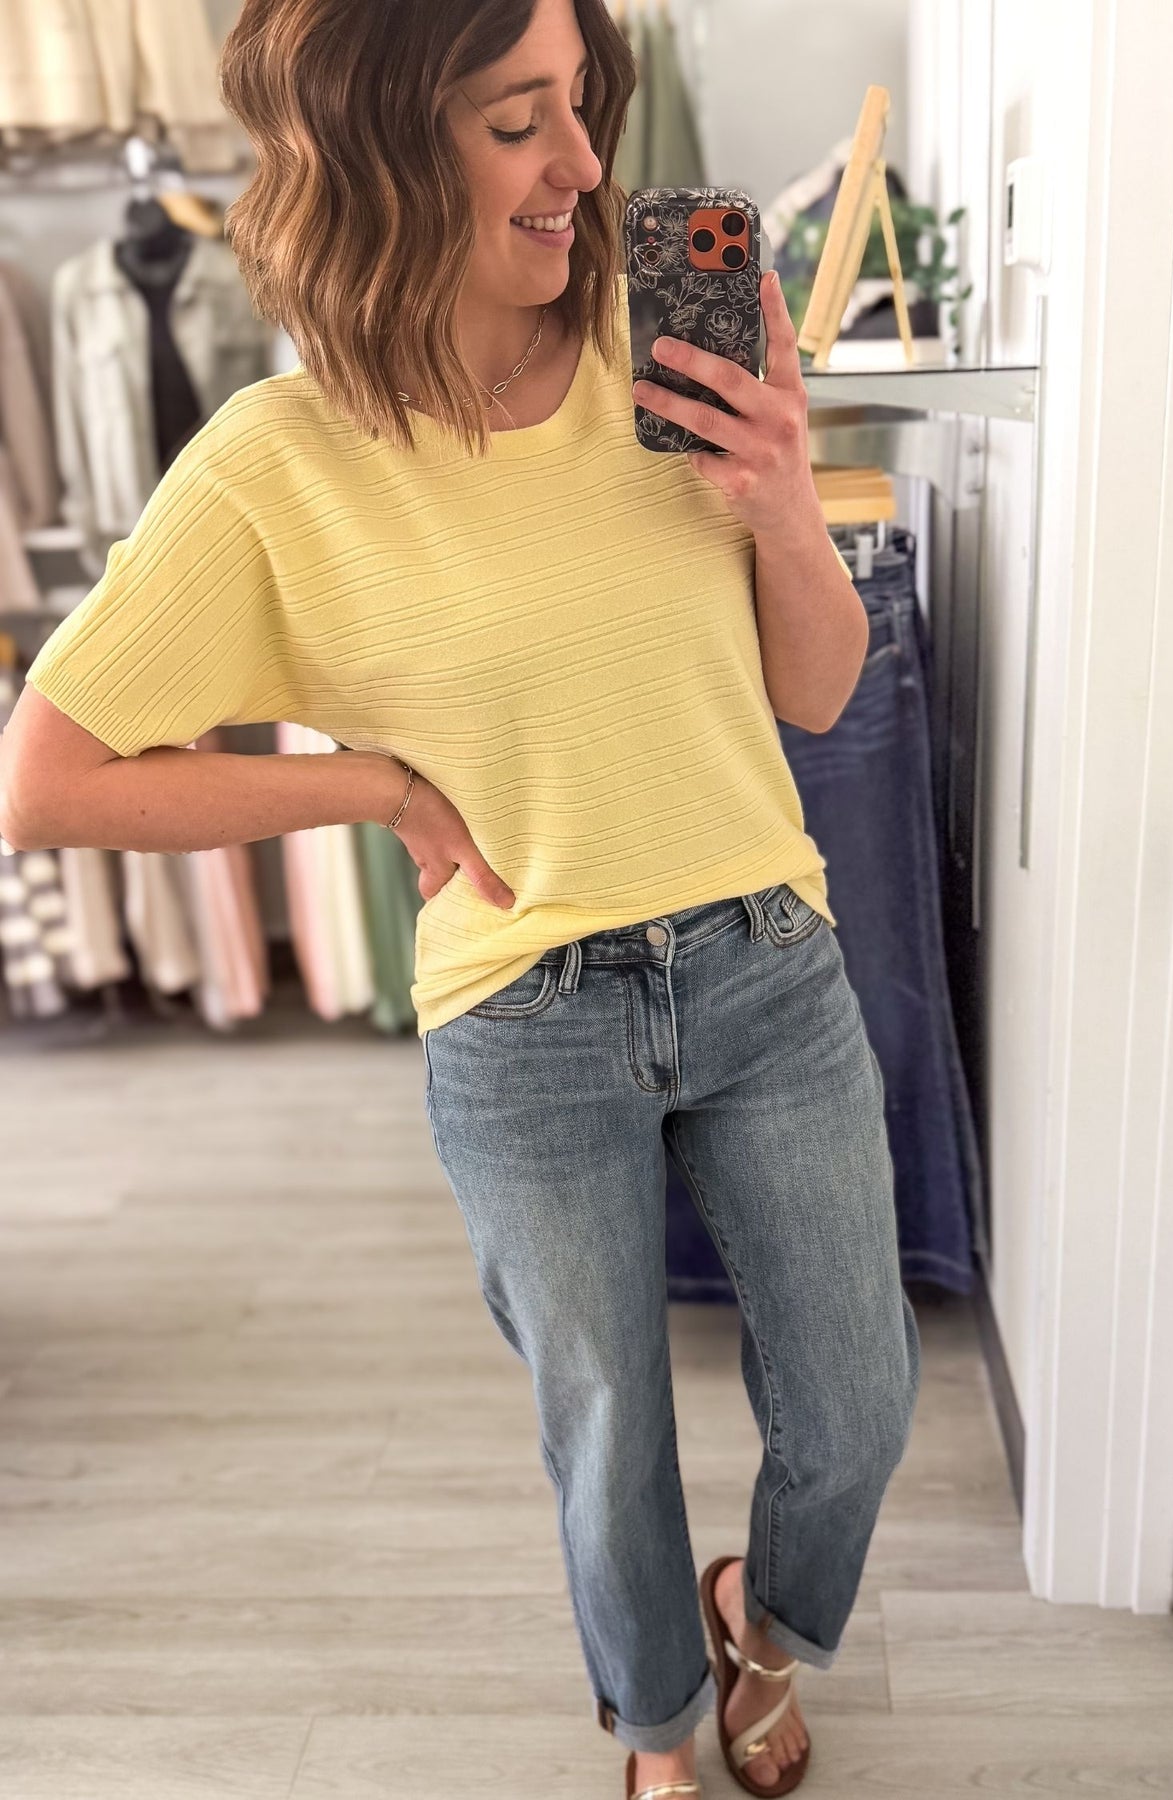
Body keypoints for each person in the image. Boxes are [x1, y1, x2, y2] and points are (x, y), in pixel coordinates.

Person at [0, 1, 921, 1795]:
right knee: (607, 1433)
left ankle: (768, 1624)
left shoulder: (671, 344)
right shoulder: (278, 463)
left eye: (582, 104)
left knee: (860, 1402)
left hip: (764, 960)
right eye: (517, 123)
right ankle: (661, 1732)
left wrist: (781, 500)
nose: (583, 165)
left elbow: (816, 693)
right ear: (376, 149)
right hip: (525, 1015)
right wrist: (375, 788)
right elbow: (44, 776)